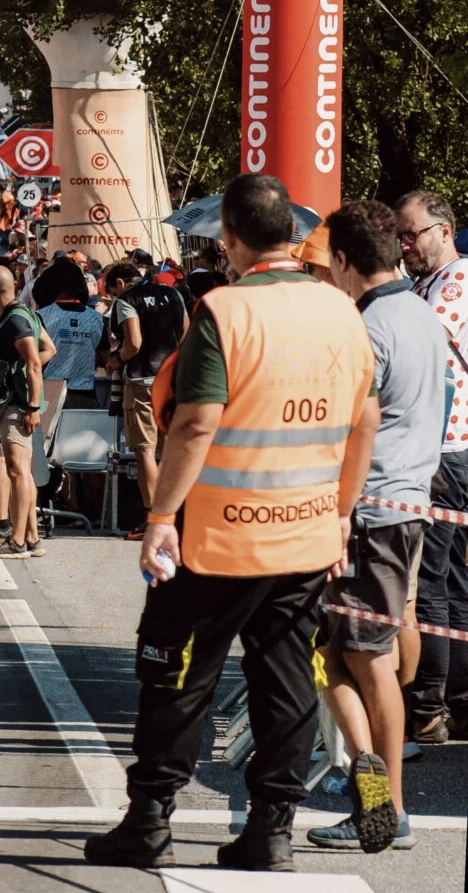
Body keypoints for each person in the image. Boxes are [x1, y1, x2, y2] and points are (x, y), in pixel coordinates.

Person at [85, 173, 379, 873]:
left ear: (231, 237)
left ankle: (150, 818)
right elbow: (365, 420)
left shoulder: (223, 310)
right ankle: (269, 830)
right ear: (295, 233)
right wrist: (340, 513)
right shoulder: (342, 310)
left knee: (176, 676)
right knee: (283, 684)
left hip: (217, 538)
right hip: (304, 534)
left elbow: (194, 425)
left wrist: (160, 518)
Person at [309, 198, 446, 854]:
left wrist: (335, 512)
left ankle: (387, 806)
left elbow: (348, 425)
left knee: (361, 660)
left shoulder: (367, 327)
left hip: (369, 511)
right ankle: (379, 798)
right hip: (404, 503)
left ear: (341, 259)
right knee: (345, 656)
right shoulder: (420, 311)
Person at [394, 188, 468, 744]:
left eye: (412, 233)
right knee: (450, 578)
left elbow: (421, 344)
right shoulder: (427, 282)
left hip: (445, 448)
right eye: (399, 235)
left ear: (444, 229)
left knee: (432, 580)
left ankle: (430, 704)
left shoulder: (454, 284)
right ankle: (454, 696)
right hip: (441, 445)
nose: (405, 244)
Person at [0, 260, 54, 559]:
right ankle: (32, 538)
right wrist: (21, 369)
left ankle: (18, 541)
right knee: (24, 473)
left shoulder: (14, 321)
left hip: (17, 406)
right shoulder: (27, 316)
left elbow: (36, 359)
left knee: (16, 471)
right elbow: (49, 349)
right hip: (23, 402)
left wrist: (32, 402)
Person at [106, 255, 188, 521]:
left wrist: (117, 360)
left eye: (112, 290)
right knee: (170, 450)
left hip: (142, 381)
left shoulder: (126, 300)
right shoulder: (173, 295)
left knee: (144, 450)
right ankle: (175, 511)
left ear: (120, 282)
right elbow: (186, 333)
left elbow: (134, 344)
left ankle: (153, 515)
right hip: (172, 381)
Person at [39, 269, 106, 414]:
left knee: (44, 436)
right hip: (84, 392)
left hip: (47, 391)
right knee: (82, 436)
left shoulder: (41, 316)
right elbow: (104, 357)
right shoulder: (97, 319)